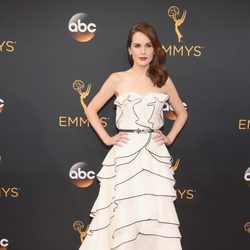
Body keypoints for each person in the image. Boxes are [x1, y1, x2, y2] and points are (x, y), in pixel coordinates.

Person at [79, 22, 188, 250]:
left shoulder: (163, 79)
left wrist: (169, 138)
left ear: (155, 49)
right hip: (125, 155)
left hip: (154, 156)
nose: (143, 51)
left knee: (153, 213)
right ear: (129, 49)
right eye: (137, 45)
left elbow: (182, 113)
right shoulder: (117, 79)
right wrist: (107, 138)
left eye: (148, 45)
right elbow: (91, 109)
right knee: (123, 214)